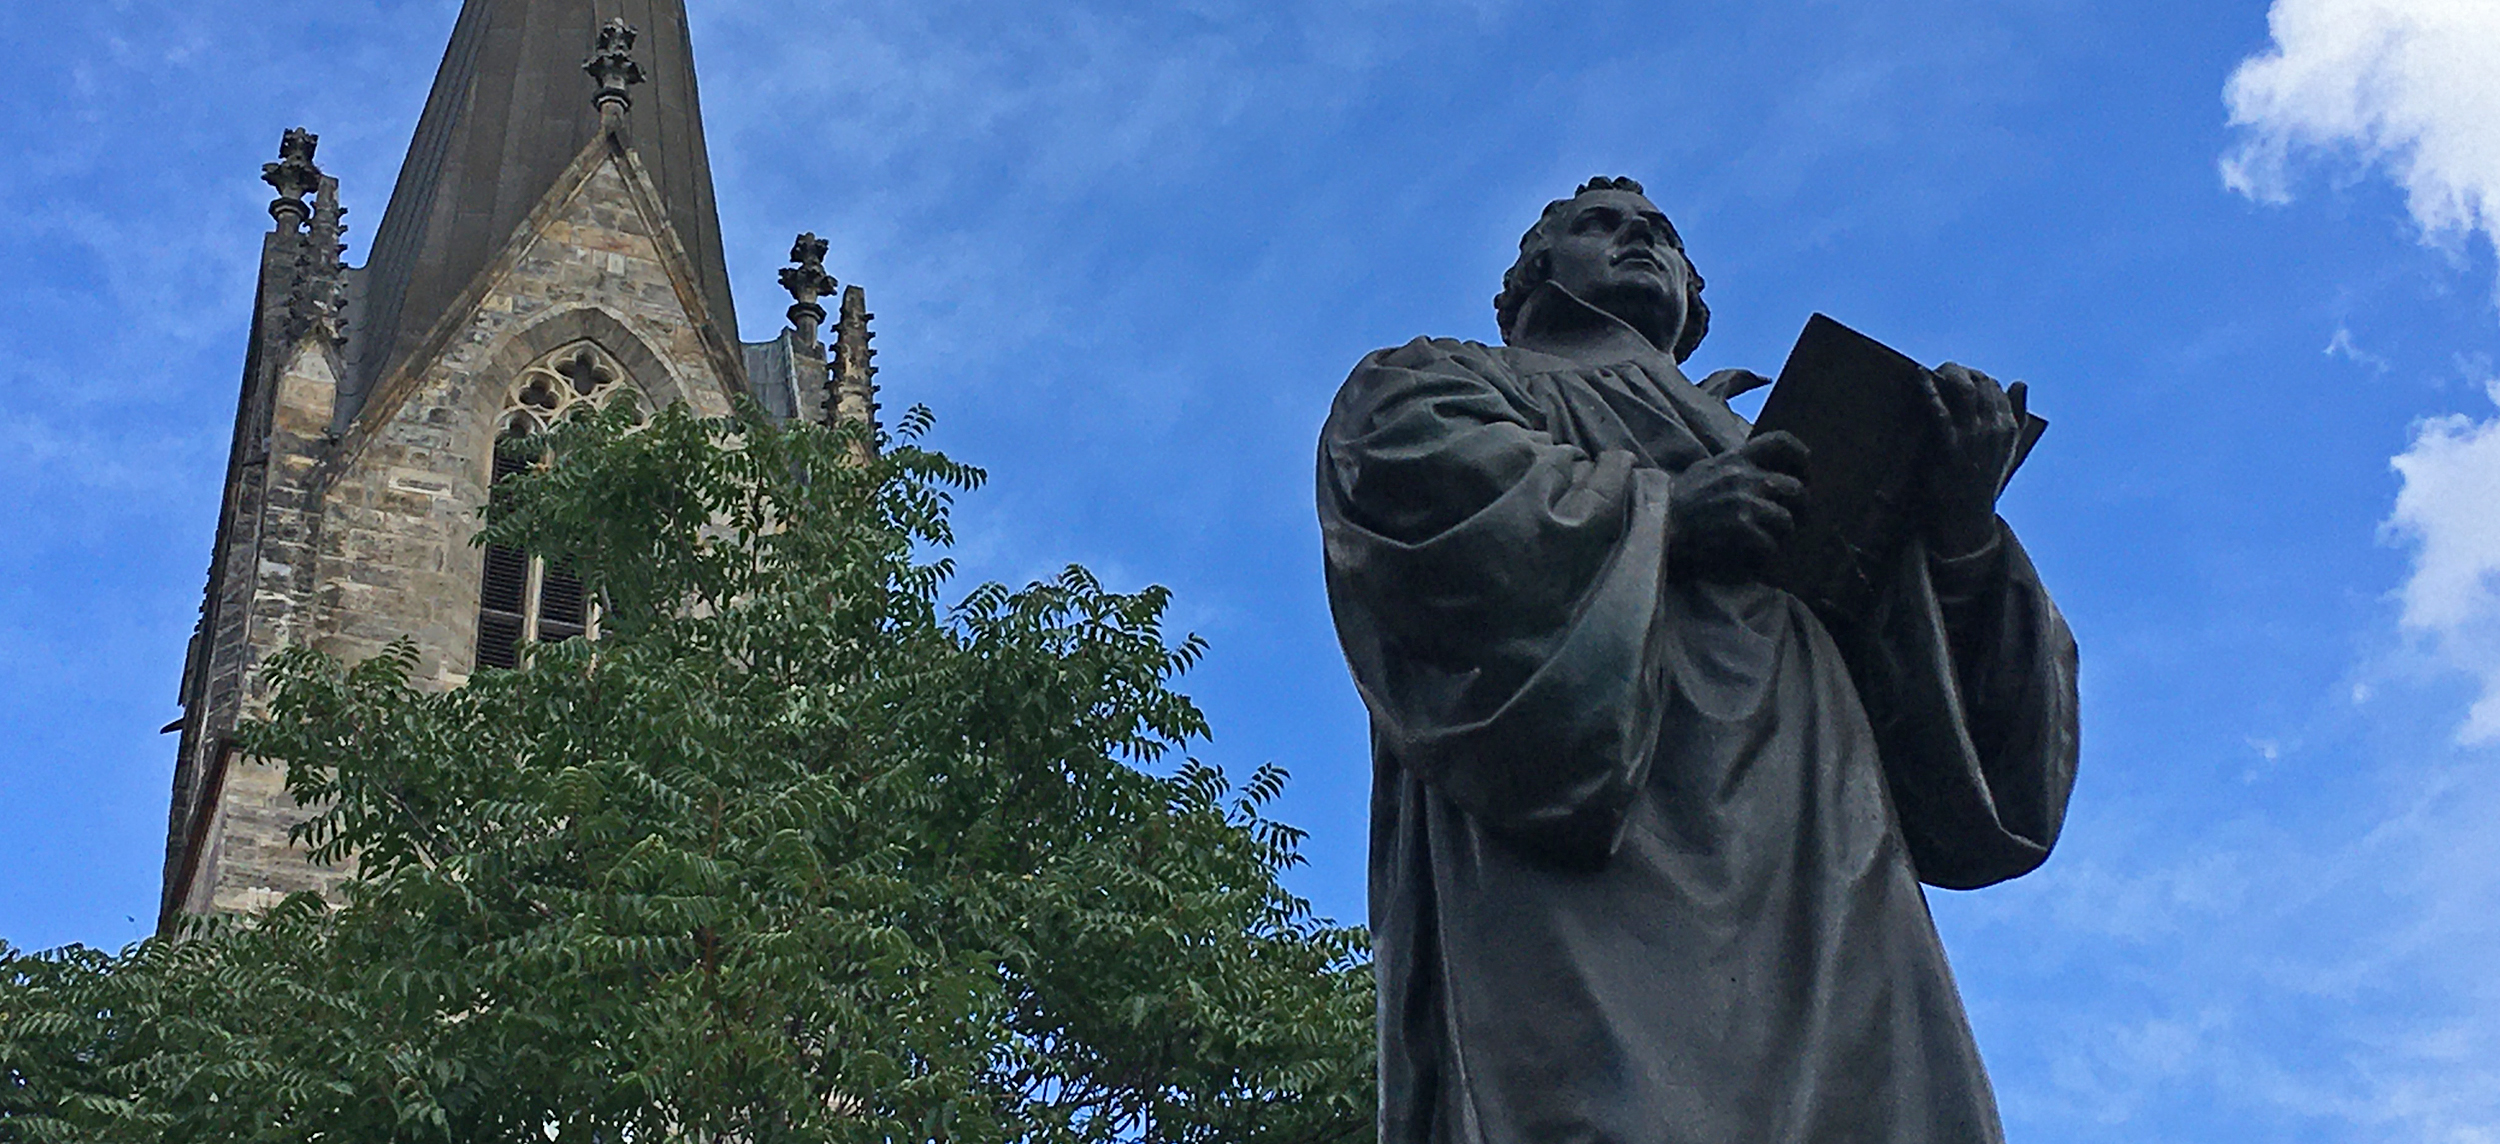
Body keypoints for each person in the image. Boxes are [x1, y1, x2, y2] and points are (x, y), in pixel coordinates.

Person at [1317, 176, 2079, 1144]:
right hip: (1601, 825)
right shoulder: (1441, 378)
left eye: (1662, 234)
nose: (1639, 238)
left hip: (1818, 828)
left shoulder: (1770, 440)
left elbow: (1960, 757)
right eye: (1599, 225)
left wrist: (1958, 529)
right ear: (1534, 270)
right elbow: (1409, 485)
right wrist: (1667, 514)